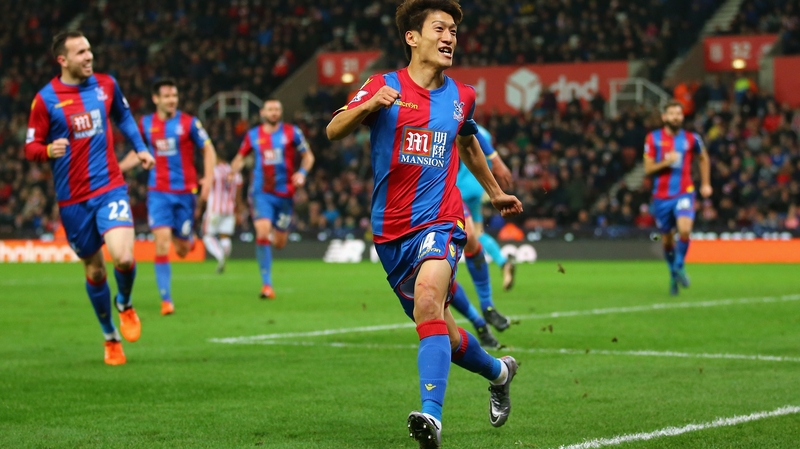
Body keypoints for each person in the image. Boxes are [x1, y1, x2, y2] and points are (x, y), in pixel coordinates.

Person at [326, 1, 523, 447]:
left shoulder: (462, 95)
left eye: (454, 29)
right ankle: (498, 372)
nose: (450, 36)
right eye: (440, 28)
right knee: (441, 329)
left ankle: (431, 418)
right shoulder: (383, 86)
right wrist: (368, 106)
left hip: (442, 218)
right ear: (413, 38)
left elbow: (468, 140)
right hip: (390, 233)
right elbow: (333, 130)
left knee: (431, 297)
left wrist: (493, 192)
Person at [25, 30, 154, 365]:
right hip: (72, 200)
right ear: (62, 60)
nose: (88, 57)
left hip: (109, 186)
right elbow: (30, 147)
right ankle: (110, 338)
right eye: (80, 52)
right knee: (96, 271)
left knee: (123, 258)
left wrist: (140, 148)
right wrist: (48, 150)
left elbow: (123, 116)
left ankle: (124, 304)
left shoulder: (106, 85)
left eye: (89, 50)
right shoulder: (46, 99)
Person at [122, 79, 217, 316]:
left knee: (183, 249)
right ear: (156, 99)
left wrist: (209, 180)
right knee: (162, 243)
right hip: (158, 192)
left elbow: (209, 150)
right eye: (166, 96)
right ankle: (166, 300)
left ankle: (187, 237)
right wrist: (117, 168)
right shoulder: (145, 124)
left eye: (174, 95)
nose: (171, 100)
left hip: (186, 193)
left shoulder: (189, 123)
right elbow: (139, 152)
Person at [231, 99, 315, 299]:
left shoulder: (292, 132)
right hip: (261, 193)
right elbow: (240, 158)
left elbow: (308, 156)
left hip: (285, 194)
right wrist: (232, 171)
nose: (274, 112)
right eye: (270, 109)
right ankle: (266, 285)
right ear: (263, 112)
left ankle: (272, 238)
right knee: (262, 231)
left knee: (279, 242)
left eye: (277, 109)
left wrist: (302, 173)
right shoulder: (253, 135)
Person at [644, 101, 712, 295]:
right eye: (672, 114)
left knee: (684, 229)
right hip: (661, 196)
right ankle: (673, 275)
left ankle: (679, 265)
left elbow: (704, 158)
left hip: (684, 191)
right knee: (667, 240)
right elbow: (648, 168)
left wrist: (706, 183)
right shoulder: (653, 138)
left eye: (679, 114)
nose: (676, 117)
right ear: (664, 117)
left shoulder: (692, 138)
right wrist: (667, 161)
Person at [202, 152, 244, 274]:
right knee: (225, 236)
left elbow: (206, 188)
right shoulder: (235, 173)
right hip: (230, 209)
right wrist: (239, 211)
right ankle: (225, 256)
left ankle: (220, 257)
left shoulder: (213, 171)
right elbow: (238, 195)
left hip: (215, 209)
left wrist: (199, 206)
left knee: (207, 235)